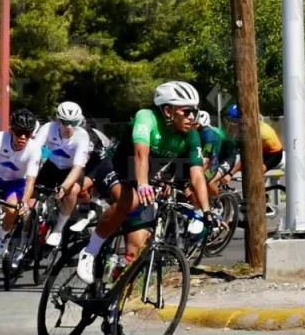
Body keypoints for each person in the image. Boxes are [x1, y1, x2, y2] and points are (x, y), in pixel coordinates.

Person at [75, 81, 217, 290]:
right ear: (168, 110)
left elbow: (197, 176)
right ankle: (91, 249)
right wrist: (142, 185)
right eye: (186, 111)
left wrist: (206, 211)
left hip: (143, 182)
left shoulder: (191, 135)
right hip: (115, 169)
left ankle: (113, 306)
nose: (191, 117)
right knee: (130, 200)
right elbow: (141, 153)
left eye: (193, 112)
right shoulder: (146, 117)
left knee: (136, 249)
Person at [30, 101, 105, 249]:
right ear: (57, 120)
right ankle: (23, 237)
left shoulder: (82, 136)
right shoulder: (48, 128)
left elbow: (78, 167)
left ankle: (58, 229)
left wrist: (64, 187)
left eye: (74, 122)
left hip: (72, 168)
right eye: (65, 122)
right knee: (30, 203)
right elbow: (33, 151)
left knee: (73, 191)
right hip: (52, 165)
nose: (69, 127)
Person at [0, 108, 43, 257]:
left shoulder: (34, 149)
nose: (22, 137)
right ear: (11, 130)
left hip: (15, 183)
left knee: (12, 209)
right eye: (18, 131)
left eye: (27, 133)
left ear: (32, 133)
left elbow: (31, 179)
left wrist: (25, 202)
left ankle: (2, 235)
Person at [226, 103, 284, 178]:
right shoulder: (247, 125)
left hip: (273, 154)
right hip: (263, 149)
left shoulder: (253, 132)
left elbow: (245, 158)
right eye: (229, 120)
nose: (231, 123)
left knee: (255, 175)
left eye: (233, 120)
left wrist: (230, 174)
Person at [196, 110, 237, 196]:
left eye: (197, 125)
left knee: (210, 181)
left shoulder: (210, 136)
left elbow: (209, 160)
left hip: (227, 158)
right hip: (217, 156)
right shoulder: (200, 133)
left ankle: (217, 202)